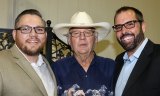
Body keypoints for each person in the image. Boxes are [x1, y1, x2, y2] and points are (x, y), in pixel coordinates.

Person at [52, 11, 115, 96]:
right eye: (76, 33)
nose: (82, 37)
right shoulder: (57, 69)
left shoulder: (111, 67)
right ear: (69, 40)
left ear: (95, 38)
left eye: (88, 32)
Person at [0, 9, 57, 96]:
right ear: (14, 34)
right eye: (25, 29)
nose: (33, 34)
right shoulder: (2, 62)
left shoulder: (46, 65)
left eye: (39, 29)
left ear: (45, 35)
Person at [112, 6, 160, 96]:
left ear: (143, 26)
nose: (124, 31)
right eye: (118, 27)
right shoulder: (118, 60)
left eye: (130, 24)